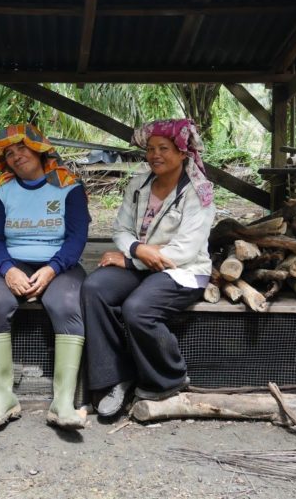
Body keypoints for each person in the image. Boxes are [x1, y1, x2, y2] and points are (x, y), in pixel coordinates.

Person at [81, 118, 215, 417]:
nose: (155, 155)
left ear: (183, 152)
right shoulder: (139, 183)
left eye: (164, 148)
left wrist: (130, 258)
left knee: (138, 309)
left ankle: (169, 378)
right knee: (94, 288)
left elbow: (184, 251)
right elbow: (121, 229)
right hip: (142, 262)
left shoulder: (199, 192)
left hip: (182, 270)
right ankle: (113, 378)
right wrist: (138, 249)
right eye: (151, 148)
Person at [0, 123, 90, 431]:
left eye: (21, 148)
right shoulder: (2, 190)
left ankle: (62, 402)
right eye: (9, 153)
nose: (16, 156)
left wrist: (53, 267)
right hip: (12, 264)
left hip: (60, 264)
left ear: (39, 148)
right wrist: (7, 269)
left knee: (67, 303)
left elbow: (77, 237)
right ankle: (3, 399)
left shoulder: (69, 186)